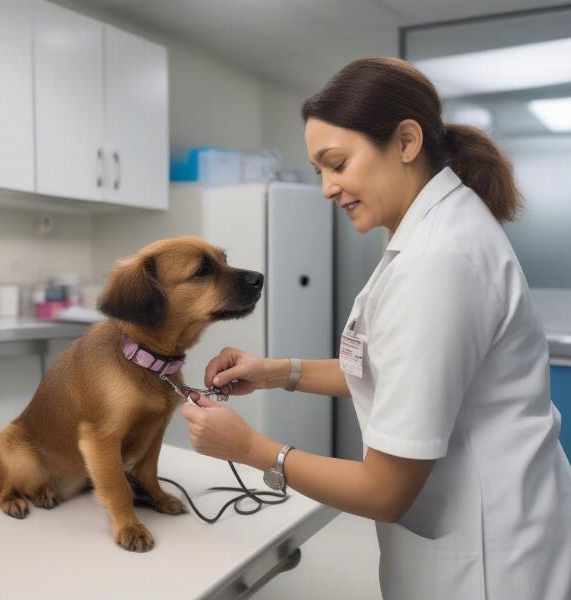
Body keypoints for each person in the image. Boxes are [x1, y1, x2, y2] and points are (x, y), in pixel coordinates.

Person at [181, 57, 571, 600]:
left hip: (489, 559)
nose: (326, 188)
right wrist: (275, 372)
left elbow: (385, 491)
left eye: (336, 163)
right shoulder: (431, 235)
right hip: (484, 524)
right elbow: (389, 368)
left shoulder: (438, 263)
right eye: (319, 170)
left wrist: (249, 447)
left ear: (406, 141)